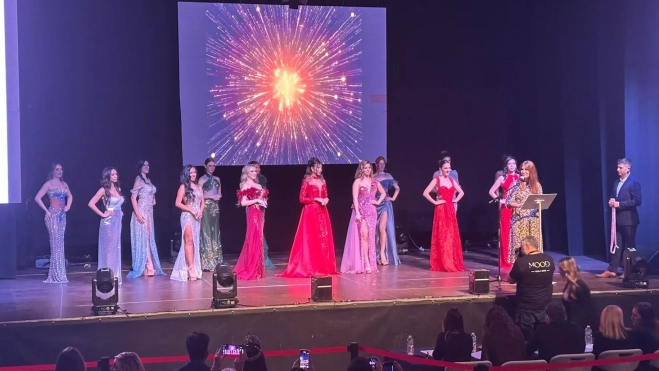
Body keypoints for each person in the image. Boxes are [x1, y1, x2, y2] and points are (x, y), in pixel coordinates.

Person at [278, 158, 339, 278]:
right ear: (312, 168)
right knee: (312, 238)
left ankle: (324, 265)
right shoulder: (307, 181)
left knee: (323, 237)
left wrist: (326, 199)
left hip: (322, 211)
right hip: (311, 212)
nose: (320, 170)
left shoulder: (323, 181)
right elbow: (301, 198)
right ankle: (312, 266)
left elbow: (326, 195)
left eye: (321, 167)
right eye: (318, 167)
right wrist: (315, 199)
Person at [597, 158, 642, 278]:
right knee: (616, 245)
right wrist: (612, 200)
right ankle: (612, 269)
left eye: (620, 168)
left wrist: (620, 204)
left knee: (630, 247)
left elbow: (637, 201)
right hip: (617, 220)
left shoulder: (633, 183)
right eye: (617, 167)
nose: (618, 170)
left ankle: (630, 271)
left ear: (628, 169)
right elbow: (614, 196)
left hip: (629, 220)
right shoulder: (616, 182)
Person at [340, 160, 385, 274]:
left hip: (372, 211)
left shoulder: (375, 181)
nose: (368, 170)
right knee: (364, 236)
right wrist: (358, 213)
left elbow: (383, 193)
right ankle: (366, 263)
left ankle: (371, 263)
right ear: (362, 169)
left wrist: (378, 201)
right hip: (361, 211)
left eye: (369, 168)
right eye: (365, 168)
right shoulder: (357, 182)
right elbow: (355, 198)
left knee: (371, 237)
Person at [508, 235, 555, 339]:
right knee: (543, 336)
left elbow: (510, 280)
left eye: (521, 247)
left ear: (526, 246)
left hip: (526, 307)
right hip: (545, 305)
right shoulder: (549, 259)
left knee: (525, 338)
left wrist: (517, 262)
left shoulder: (521, 262)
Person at [422, 159, 465, 272]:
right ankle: (443, 262)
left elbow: (461, 192)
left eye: (449, 168)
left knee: (451, 235)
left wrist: (455, 201)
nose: (448, 170)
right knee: (442, 235)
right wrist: (436, 202)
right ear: (441, 169)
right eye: (445, 168)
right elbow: (425, 192)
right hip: (441, 210)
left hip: (450, 209)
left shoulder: (451, 180)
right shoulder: (437, 180)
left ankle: (451, 261)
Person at [34, 163, 72, 283]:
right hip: (52, 217)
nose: (59, 171)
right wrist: (46, 211)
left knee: (60, 244)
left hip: (62, 216)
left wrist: (67, 206)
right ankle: (55, 274)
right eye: (57, 169)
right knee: (55, 244)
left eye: (61, 169)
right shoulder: (49, 184)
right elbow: (37, 197)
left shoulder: (64, 184)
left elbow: (70, 196)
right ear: (53, 171)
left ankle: (60, 273)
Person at [127, 160, 165, 278]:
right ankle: (149, 265)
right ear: (140, 167)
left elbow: (151, 195)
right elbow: (133, 198)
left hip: (149, 211)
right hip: (141, 210)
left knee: (148, 237)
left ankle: (148, 266)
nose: (147, 167)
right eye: (145, 165)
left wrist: (153, 199)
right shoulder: (138, 179)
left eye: (148, 165)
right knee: (145, 237)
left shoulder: (148, 180)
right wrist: (138, 214)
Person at [88, 167, 124, 285]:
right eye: (113, 174)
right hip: (108, 222)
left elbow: (118, 203)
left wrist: (120, 211)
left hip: (117, 221)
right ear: (107, 176)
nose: (115, 176)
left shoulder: (118, 189)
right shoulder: (103, 190)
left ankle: (114, 275)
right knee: (108, 249)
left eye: (116, 174)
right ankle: (107, 276)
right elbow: (91, 203)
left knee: (116, 248)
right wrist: (103, 214)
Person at [504, 160, 543, 265]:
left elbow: (541, 202)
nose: (523, 171)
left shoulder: (537, 186)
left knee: (533, 247)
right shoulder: (515, 185)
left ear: (531, 171)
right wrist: (519, 205)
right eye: (521, 169)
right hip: (519, 221)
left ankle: (535, 270)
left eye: (526, 169)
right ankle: (519, 271)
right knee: (519, 247)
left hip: (533, 222)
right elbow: (508, 202)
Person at [234, 163, 268, 280]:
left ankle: (258, 269)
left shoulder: (258, 185)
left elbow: (262, 198)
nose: (254, 173)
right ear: (246, 173)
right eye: (252, 171)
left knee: (259, 239)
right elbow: (243, 203)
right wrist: (257, 200)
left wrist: (263, 201)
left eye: (255, 171)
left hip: (260, 213)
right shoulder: (246, 185)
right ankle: (251, 268)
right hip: (253, 213)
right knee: (253, 238)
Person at [171, 165, 204, 281]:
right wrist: (191, 210)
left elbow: (202, 202)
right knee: (189, 241)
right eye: (191, 173)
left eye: (194, 172)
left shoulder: (199, 187)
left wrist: (200, 211)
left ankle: (193, 265)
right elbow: (177, 203)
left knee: (195, 242)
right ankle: (190, 268)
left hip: (197, 217)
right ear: (187, 174)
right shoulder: (183, 187)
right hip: (187, 216)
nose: (193, 174)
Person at [488, 156, 519, 271]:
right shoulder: (502, 177)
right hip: (506, 207)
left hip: (518, 206)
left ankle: (517, 258)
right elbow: (491, 191)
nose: (512, 166)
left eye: (514, 164)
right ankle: (506, 260)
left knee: (516, 232)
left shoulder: (519, 177)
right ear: (506, 166)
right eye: (510, 164)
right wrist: (499, 200)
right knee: (505, 233)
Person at [374, 156, 401, 266]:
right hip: (375, 203)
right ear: (376, 164)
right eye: (380, 163)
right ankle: (375, 256)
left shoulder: (388, 175)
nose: (382, 165)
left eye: (383, 163)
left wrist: (393, 198)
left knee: (382, 228)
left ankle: (383, 254)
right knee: (375, 230)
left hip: (385, 203)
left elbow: (397, 188)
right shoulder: (373, 176)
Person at [248, 160, 275, 270]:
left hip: (261, 207)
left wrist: (263, 198)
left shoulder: (262, 179)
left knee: (260, 230)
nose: (256, 170)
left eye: (258, 168)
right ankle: (256, 258)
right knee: (255, 232)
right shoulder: (247, 182)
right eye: (254, 168)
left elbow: (264, 192)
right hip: (252, 207)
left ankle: (262, 257)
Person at [558, 257, 598, 329]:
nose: (559, 272)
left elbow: (587, 309)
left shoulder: (579, 286)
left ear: (566, 270)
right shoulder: (569, 284)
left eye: (560, 269)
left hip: (581, 325)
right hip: (573, 322)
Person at [199, 157, 223, 271]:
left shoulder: (217, 179)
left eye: (213, 165)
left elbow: (219, 193)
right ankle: (207, 261)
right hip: (206, 207)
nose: (212, 167)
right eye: (210, 165)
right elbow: (199, 196)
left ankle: (216, 259)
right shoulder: (202, 180)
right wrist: (211, 197)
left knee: (215, 230)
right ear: (205, 166)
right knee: (206, 230)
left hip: (215, 207)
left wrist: (218, 196)